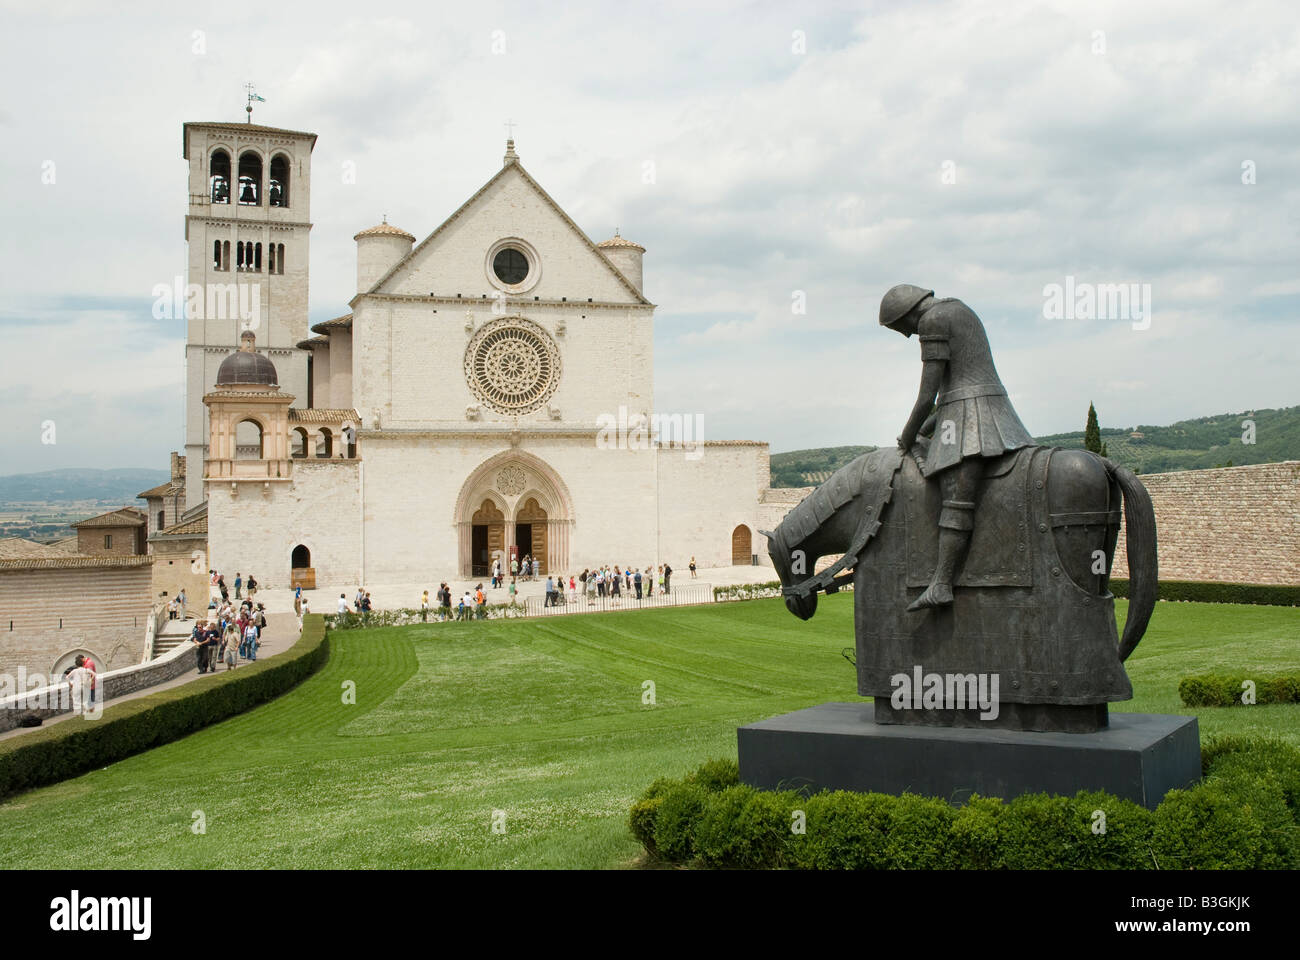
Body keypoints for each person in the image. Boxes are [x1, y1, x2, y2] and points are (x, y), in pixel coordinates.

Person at [879, 284, 1035, 610]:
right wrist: (923, 430)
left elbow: (928, 396)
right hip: (981, 409)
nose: (907, 334)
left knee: (956, 499)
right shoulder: (959, 308)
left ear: (907, 315)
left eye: (902, 328)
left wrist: (907, 435)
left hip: (972, 417)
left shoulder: (933, 320)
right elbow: (953, 392)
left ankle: (941, 583)